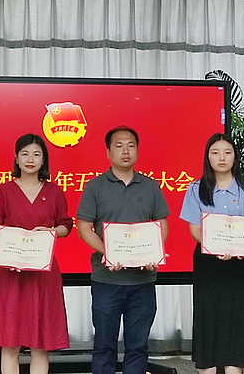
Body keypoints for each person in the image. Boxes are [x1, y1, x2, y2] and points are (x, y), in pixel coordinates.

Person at [76, 126, 170, 374]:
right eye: (119, 146)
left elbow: (161, 225)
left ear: (137, 150)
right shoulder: (95, 187)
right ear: (108, 152)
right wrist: (108, 252)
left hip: (143, 281)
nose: (125, 151)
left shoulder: (150, 187)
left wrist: (154, 252)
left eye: (131, 145)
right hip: (106, 281)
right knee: (104, 347)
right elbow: (84, 227)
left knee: (138, 347)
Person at [0, 133, 73, 374]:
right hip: (10, 272)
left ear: (44, 160)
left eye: (36, 154)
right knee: (9, 342)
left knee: (40, 343)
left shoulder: (54, 192)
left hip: (43, 273)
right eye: (25, 154)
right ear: (16, 159)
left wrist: (52, 231)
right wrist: (12, 244)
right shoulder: (4, 191)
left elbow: (66, 224)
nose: (30, 159)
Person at [179, 132, 244, 374]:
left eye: (227, 152)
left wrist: (238, 248)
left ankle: (234, 368)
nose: (222, 158)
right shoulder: (196, 189)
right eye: (215, 153)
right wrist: (216, 247)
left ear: (235, 156)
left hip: (238, 265)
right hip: (208, 264)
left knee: (237, 321)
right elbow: (195, 229)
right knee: (209, 319)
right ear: (208, 157)